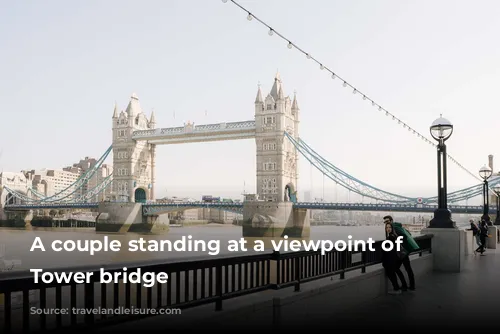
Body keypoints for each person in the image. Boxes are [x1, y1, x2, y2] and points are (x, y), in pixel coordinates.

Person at [383, 215, 416, 291]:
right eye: (385, 222)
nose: (386, 223)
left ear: (391, 221)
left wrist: (397, 243)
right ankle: (410, 286)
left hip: (401, 253)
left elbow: (404, 236)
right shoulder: (396, 228)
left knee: (398, 268)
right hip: (403, 252)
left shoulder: (395, 228)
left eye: (387, 221)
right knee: (406, 269)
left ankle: (407, 285)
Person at [382, 221, 408, 294]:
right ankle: (400, 287)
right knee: (395, 271)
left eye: (390, 227)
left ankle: (396, 288)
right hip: (395, 257)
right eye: (387, 227)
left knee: (390, 273)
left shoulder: (391, 237)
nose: (388, 229)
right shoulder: (394, 235)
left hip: (392, 258)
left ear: (392, 228)